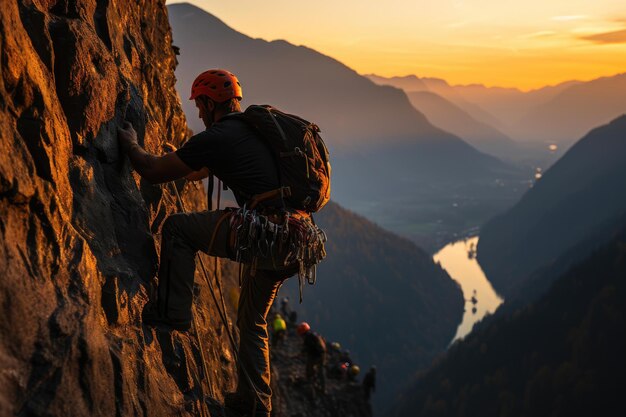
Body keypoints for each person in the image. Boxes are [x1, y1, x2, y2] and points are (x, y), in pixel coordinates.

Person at [117, 69, 309, 417]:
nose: (200, 114)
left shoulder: (219, 136)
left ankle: (172, 314)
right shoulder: (252, 130)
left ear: (209, 102)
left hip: (265, 232)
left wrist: (130, 143)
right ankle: (255, 404)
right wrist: (185, 157)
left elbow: (154, 171)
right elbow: (203, 168)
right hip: (295, 239)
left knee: (177, 229)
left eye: (201, 107)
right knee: (252, 321)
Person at [297, 322, 327, 395]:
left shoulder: (308, 337)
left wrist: (301, 354)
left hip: (316, 354)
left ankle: (310, 381)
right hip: (322, 353)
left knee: (309, 367)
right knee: (320, 370)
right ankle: (322, 388)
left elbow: (307, 348)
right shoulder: (314, 334)